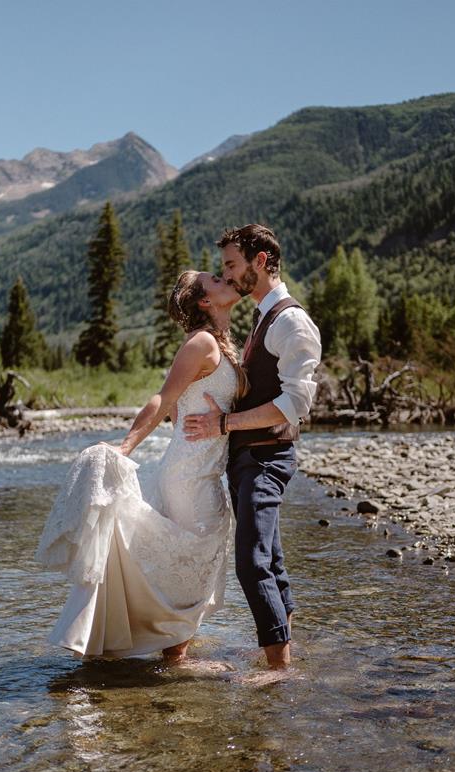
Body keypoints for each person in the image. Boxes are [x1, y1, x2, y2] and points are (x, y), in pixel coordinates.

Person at [37, 271, 244, 663]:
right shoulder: (201, 343)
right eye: (216, 279)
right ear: (205, 301)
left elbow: (187, 404)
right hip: (189, 475)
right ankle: (172, 656)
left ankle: (170, 650)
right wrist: (127, 445)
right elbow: (163, 398)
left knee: (194, 561)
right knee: (192, 561)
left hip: (204, 471)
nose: (226, 278)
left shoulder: (222, 343)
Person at [183, 225, 321, 669]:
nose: (227, 273)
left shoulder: (291, 320)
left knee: (251, 564)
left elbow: (295, 404)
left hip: (265, 456)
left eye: (231, 265)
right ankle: (283, 653)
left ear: (260, 262)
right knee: (271, 561)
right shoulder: (265, 316)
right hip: (249, 458)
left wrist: (226, 422)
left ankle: (278, 671)